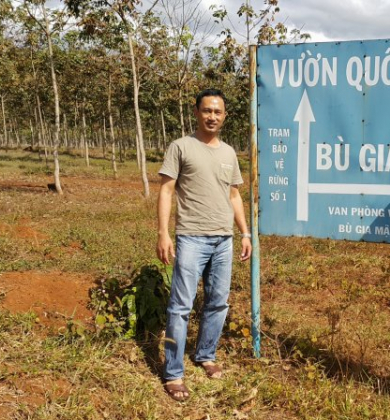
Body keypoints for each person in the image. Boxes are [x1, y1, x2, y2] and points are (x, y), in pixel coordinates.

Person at [156, 88, 252, 402]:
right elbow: (167, 191)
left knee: (218, 303)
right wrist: (163, 233)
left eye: (218, 112)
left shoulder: (228, 153)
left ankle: (205, 355)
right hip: (191, 238)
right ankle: (173, 372)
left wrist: (245, 233)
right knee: (180, 307)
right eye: (207, 110)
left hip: (223, 239)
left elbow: (234, 195)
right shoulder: (181, 147)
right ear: (197, 112)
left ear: (224, 116)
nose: (212, 116)